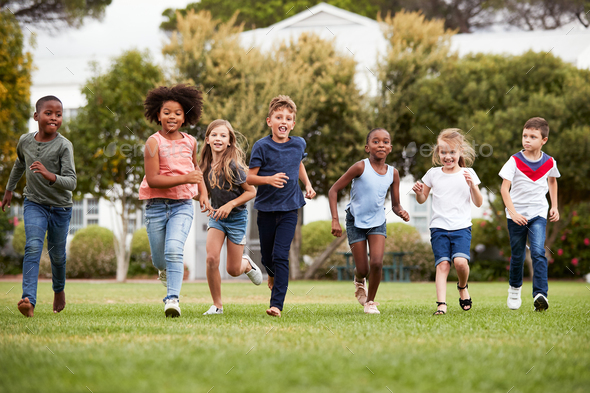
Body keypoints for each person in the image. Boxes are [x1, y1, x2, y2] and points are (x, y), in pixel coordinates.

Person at [1, 96, 76, 317]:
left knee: (58, 256)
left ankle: (59, 290)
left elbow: (72, 182)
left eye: (58, 114)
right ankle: (28, 300)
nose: (54, 118)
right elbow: (19, 163)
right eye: (48, 113)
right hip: (34, 203)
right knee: (32, 246)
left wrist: (49, 175)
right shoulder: (25, 141)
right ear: (36, 116)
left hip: (60, 208)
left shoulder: (64, 145)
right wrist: (8, 190)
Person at [139, 84, 208, 318]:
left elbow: (196, 171)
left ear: (185, 117)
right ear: (158, 115)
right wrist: (185, 178)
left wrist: (204, 195)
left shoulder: (191, 142)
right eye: (167, 112)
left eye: (178, 113)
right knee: (160, 261)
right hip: (156, 207)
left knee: (174, 251)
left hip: (182, 206)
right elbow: (153, 179)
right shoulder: (152, 142)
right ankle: (164, 273)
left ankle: (172, 299)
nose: (172, 116)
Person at [246, 95, 316, 317]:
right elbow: (249, 178)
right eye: (278, 117)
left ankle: (277, 304)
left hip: (289, 208)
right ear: (270, 121)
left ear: (293, 124)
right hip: (266, 209)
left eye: (288, 118)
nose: (283, 121)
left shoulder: (299, 143)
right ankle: (271, 274)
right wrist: (269, 179)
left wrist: (308, 184)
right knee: (267, 258)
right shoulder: (261, 146)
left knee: (280, 255)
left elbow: (299, 164)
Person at [329, 128, 410, 314]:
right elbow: (333, 190)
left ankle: (371, 302)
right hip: (355, 220)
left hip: (377, 220)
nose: (381, 144)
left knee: (376, 263)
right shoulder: (360, 167)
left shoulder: (393, 173)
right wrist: (335, 219)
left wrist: (402, 212)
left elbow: (396, 205)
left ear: (390, 148)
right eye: (375, 141)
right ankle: (359, 280)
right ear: (367, 147)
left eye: (385, 141)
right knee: (364, 268)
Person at [412, 128, 483, 315]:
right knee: (443, 265)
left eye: (452, 152)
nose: (448, 156)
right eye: (443, 152)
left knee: (460, 262)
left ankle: (462, 286)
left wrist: (473, 186)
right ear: (438, 153)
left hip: (461, 228)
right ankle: (441, 305)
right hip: (439, 228)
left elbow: (478, 203)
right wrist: (419, 192)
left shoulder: (468, 173)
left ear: (460, 152)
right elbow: (422, 199)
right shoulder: (433, 174)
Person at [198, 119, 262, 315]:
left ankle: (247, 264)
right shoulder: (204, 167)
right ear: (207, 139)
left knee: (233, 270)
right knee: (211, 259)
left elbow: (251, 192)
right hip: (216, 218)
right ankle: (217, 306)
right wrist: (202, 199)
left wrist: (230, 204)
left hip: (236, 219)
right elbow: (202, 192)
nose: (218, 138)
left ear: (229, 141)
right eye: (214, 135)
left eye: (223, 135)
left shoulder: (233, 166)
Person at [499, 117, 560, 312]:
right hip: (515, 215)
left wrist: (554, 206)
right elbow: (504, 190)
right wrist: (513, 213)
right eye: (525, 135)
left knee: (538, 252)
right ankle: (515, 289)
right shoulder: (514, 160)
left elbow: (552, 181)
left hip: (538, 214)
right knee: (517, 256)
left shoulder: (549, 161)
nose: (527, 139)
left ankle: (540, 295)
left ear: (544, 140)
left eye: (533, 136)